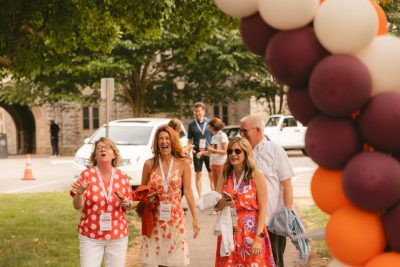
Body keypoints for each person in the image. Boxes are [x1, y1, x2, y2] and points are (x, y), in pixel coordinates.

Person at [140, 125, 200, 266]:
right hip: (155, 218)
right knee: (160, 260)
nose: (164, 141)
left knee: (175, 260)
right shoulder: (149, 164)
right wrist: (146, 199)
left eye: (167, 138)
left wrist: (195, 218)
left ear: (172, 141)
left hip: (176, 218)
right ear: (157, 142)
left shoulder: (183, 163)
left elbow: (189, 192)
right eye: (161, 138)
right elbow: (141, 193)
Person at [70, 137, 134, 267]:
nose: (103, 149)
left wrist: (127, 203)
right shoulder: (86, 175)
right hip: (91, 235)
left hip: (117, 235)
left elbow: (131, 204)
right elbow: (77, 206)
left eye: (107, 147)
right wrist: (79, 193)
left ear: (114, 154)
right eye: (99, 148)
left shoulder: (123, 177)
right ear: (95, 155)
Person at [240, 115, 294, 267]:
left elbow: (286, 184)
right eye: (240, 131)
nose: (241, 135)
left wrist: (286, 215)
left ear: (258, 131)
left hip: (272, 222)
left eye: (244, 131)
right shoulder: (240, 153)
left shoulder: (275, 150)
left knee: (274, 262)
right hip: (247, 224)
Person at [214, 137, 275, 266]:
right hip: (229, 230)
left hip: (251, 230)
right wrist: (224, 203)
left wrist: (259, 237)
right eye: (230, 151)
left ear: (246, 153)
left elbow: (263, 207)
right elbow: (216, 207)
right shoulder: (224, 175)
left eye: (237, 151)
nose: (233, 154)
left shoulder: (256, 174)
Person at [187, 102, 212, 197]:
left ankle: (214, 197)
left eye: (199, 111)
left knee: (211, 175)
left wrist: (214, 149)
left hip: (208, 151)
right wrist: (188, 154)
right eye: (196, 111)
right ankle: (200, 197)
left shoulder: (210, 123)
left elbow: (214, 137)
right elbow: (189, 140)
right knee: (198, 174)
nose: (197, 113)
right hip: (197, 151)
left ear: (204, 111)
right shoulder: (192, 124)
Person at [196, 117, 228, 191]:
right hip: (213, 164)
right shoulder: (213, 137)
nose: (208, 128)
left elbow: (225, 151)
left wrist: (212, 150)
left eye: (209, 126)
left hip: (220, 164)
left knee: (221, 186)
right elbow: (211, 152)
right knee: (216, 186)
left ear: (214, 126)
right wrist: (201, 153)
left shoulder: (222, 136)